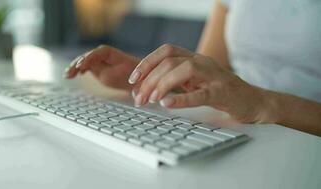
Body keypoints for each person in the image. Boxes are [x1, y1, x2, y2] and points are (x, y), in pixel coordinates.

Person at [65, 0, 321, 136]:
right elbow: (208, 72)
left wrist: (262, 103)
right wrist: (144, 74)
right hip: (233, 126)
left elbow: (246, 97)